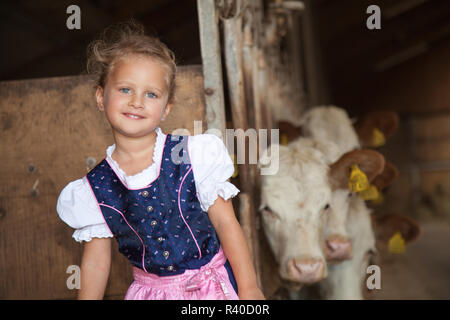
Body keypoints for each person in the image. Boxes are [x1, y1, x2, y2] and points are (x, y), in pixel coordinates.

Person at [56, 20, 264, 300]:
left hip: (213, 287)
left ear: (166, 108)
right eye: (125, 89)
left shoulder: (193, 156)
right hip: (151, 293)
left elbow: (227, 224)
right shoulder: (95, 188)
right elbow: (96, 262)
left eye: (150, 94)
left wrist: (250, 287)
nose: (136, 101)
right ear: (100, 97)